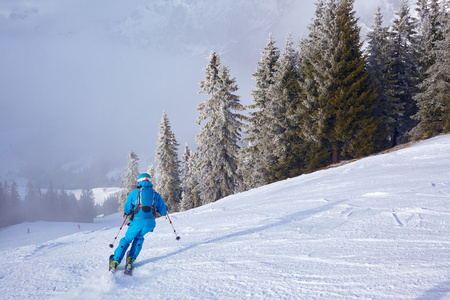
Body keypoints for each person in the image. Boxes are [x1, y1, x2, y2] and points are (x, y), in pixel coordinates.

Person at [110, 173, 167, 271]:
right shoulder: (155, 194)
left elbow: (127, 208)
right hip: (150, 224)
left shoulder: (134, 193)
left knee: (127, 240)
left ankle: (115, 261)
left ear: (139, 182)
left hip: (137, 222)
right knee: (139, 238)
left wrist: (128, 212)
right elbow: (163, 211)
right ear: (149, 182)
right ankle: (130, 259)